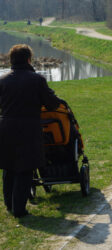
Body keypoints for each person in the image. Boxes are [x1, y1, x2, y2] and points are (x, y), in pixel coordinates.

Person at [0, 44, 61, 217]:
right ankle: (19, 209)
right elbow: (51, 103)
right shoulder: (37, 80)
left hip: (5, 127)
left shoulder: (3, 80)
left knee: (9, 167)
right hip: (28, 127)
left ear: (11, 60)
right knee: (25, 168)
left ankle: (9, 205)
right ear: (28, 59)